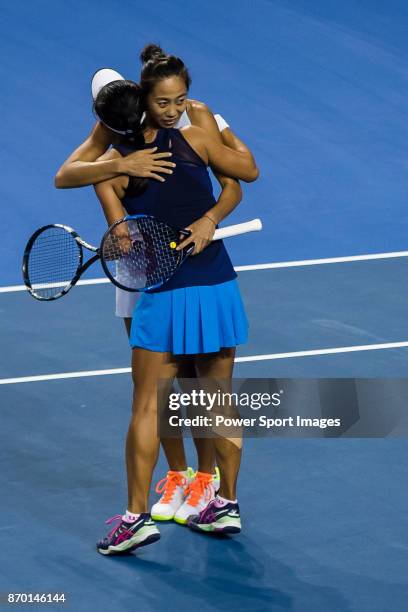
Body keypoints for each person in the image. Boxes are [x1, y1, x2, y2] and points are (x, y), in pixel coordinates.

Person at [54, 46, 259, 526]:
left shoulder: (197, 125)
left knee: (185, 397)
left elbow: (243, 174)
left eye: (179, 101)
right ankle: (197, 490)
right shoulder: (119, 143)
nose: (172, 110)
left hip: (182, 284)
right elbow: (76, 179)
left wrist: (209, 216)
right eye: (164, 103)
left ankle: (181, 502)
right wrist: (119, 173)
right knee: (183, 397)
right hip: (156, 276)